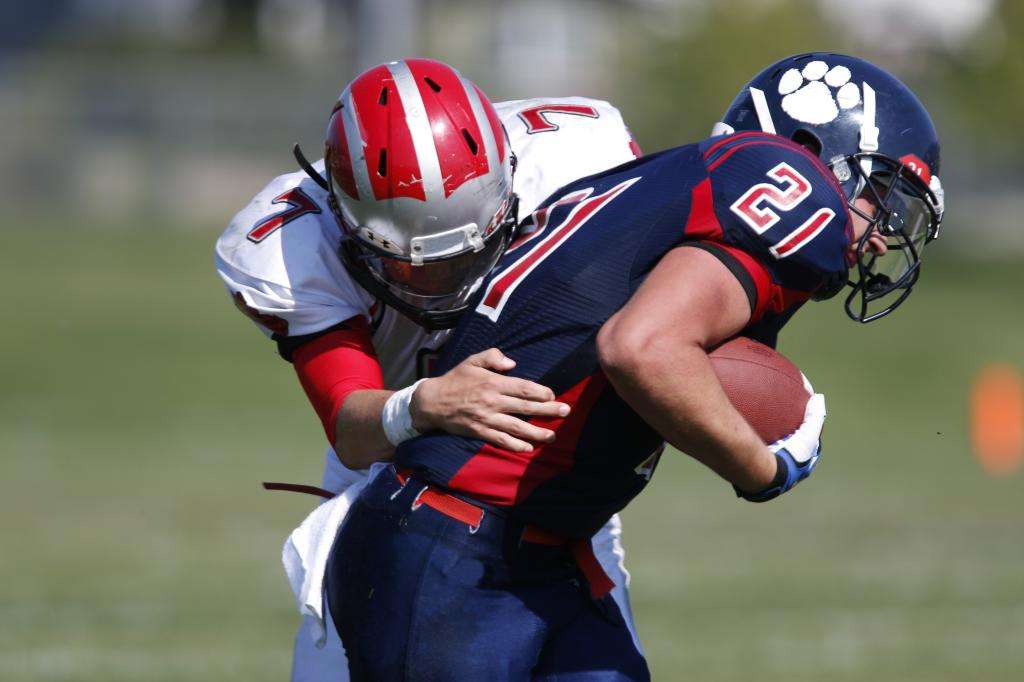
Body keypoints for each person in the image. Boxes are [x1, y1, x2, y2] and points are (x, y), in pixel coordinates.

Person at [324, 53, 945, 680]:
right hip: (453, 551)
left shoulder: (662, 184)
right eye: (883, 196)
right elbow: (642, 349)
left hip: (529, 553)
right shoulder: (795, 187)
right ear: (815, 151)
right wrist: (766, 469)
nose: (883, 237)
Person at [214, 58, 644, 681]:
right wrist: (422, 405)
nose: (451, 282)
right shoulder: (288, 242)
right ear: (346, 217)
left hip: (546, 479)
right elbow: (354, 428)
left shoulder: (579, 156)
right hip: (389, 486)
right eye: (418, 263)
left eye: (471, 251)